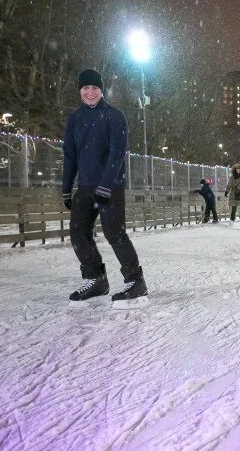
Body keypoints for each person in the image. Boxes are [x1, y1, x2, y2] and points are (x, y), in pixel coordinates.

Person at [62, 68, 148, 309]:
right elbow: (70, 156)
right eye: (85, 88)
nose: (90, 92)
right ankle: (96, 278)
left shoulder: (114, 116)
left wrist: (106, 184)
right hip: (85, 186)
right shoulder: (74, 119)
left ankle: (136, 282)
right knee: (78, 232)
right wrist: (66, 187)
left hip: (111, 187)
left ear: (101, 90)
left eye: (95, 88)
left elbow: (117, 154)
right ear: (80, 90)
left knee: (114, 233)